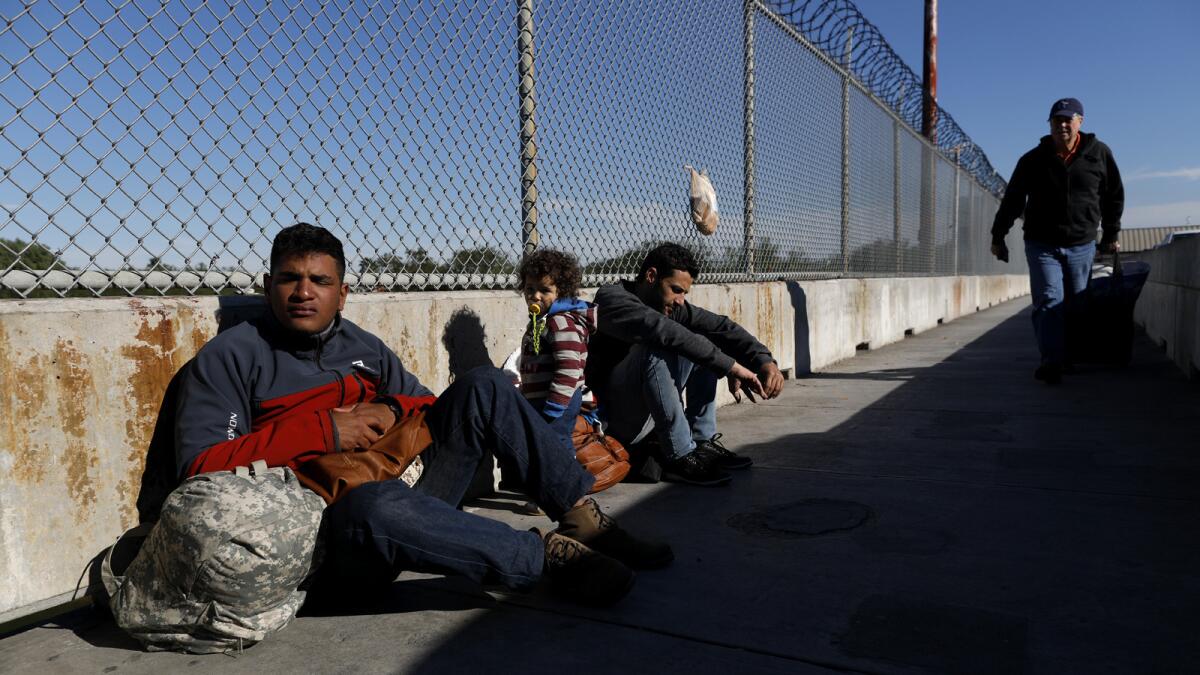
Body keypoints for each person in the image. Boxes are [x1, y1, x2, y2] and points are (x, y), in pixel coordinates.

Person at [172, 223, 672, 607]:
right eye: (290, 279)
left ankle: (584, 521)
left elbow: (427, 405)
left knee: (486, 384)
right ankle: (543, 558)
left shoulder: (361, 346)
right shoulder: (232, 357)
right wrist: (324, 430)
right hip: (329, 531)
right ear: (268, 284)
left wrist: (388, 409)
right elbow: (199, 466)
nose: (304, 292)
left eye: (320, 281)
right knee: (376, 506)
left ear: (342, 293)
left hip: (403, 479)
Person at [586, 243, 784, 486]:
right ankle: (679, 456)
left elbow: (721, 326)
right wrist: (732, 367)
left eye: (684, 294)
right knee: (661, 344)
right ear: (651, 276)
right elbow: (662, 330)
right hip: (612, 423)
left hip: (644, 416)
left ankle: (701, 442)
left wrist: (764, 360)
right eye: (676, 290)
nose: (680, 301)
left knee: (702, 337)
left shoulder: (667, 305)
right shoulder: (612, 300)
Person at [991, 97, 1124, 385]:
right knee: (1050, 299)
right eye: (1056, 120)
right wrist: (998, 235)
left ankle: (1068, 356)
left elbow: (1113, 195)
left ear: (1080, 122)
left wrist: (1111, 233)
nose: (1062, 124)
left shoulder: (1099, 154)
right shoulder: (1032, 160)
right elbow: (1013, 200)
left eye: (1068, 119)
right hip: (1042, 243)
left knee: (1077, 302)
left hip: (1082, 242)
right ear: (1049, 124)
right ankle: (1051, 360)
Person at [515, 248, 597, 423]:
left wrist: (555, 406)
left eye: (544, 290)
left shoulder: (560, 323)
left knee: (555, 444)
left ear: (561, 292)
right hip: (543, 400)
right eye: (530, 288)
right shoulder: (542, 321)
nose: (535, 296)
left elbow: (569, 367)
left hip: (558, 402)